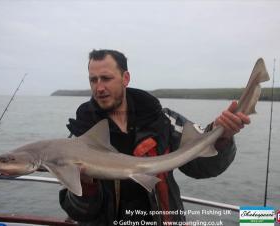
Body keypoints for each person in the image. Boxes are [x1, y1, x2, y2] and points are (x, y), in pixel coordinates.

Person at [59, 49, 250, 225]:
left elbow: (202, 168)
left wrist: (221, 138)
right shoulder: (80, 136)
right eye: (93, 80)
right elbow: (78, 212)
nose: (99, 88)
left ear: (125, 78)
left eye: (106, 78)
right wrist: (85, 186)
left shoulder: (164, 122)